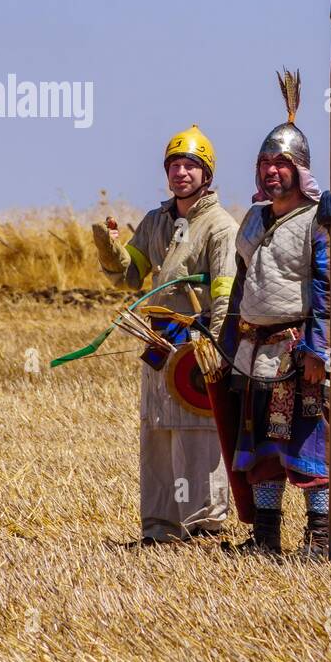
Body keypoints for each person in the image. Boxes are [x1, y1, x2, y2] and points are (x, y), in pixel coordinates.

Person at [92, 125, 237, 544]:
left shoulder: (220, 226)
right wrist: (111, 250)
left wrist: (216, 343)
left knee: (197, 436)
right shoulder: (156, 221)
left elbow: (225, 286)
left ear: (206, 175)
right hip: (158, 343)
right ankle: (160, 529)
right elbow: (130, 275)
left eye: (191, 165)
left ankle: (205, 527)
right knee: (157, 432)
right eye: (174, 164)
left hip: (197, 343)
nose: (181, 172)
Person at [216, 96, 331, 559]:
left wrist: (320, 351)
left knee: (306, 442)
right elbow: (242, 283)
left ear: (301, 170)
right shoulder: (252, 217)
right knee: (263, 449)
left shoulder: (319, 221)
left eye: (281, 163)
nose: (271, 171)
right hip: (254, 351)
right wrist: (228, 341)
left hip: (297, 352)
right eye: (264, 163)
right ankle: (266, 537)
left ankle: (319, 538)